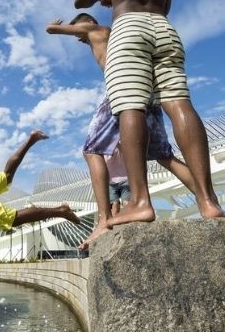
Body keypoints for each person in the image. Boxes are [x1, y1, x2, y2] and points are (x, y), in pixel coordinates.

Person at [73, 0, 225, 226]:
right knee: (179, 102)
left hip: (129, 27)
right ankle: (208, 201)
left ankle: (141, 202)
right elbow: (164, 5)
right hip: (164, 28)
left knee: (130, 105)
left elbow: (80, 0)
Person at [47, 14, 199, 247]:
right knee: (165, 156)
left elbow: (51, 30)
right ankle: (207, 198)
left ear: (85, 22)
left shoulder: (94, 29)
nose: (78, 36)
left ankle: (104, 220)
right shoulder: (113, 35)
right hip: (146, 89)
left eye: (77, 28)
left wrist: (58, 26)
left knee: (91, 151)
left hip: (122, 90)